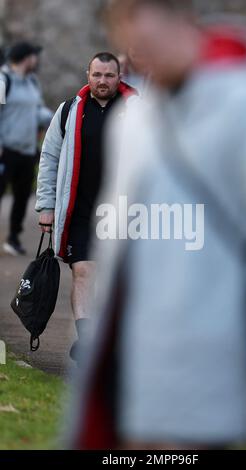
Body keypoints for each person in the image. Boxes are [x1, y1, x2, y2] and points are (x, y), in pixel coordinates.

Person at [68, 1, 246, 450]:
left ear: (185, 21)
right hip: (139, 332)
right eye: (128, 39)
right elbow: (119, 237)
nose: (139, 53)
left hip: (215, 325)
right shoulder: (133, 121)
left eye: (149, 37)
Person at [35, 52, 137, 362]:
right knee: (83, 272)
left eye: (109, 75)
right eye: (97, 75)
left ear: (119, 76)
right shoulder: (69, 111)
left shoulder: (140, 111)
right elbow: (50, 158)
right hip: (78, 210)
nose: (102, 81)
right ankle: (88, 337)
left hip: (124, 211)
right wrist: (46, 205)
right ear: (87, 75)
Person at [0, 41, 53, 255]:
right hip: (6, 151)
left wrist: (61, 116)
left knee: (22, 196)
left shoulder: (32, 82)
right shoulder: (4, 80)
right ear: (27, 57)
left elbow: (37, 111)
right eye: (35, 56)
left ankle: (13, 237)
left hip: (28, 150)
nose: (37, 60)